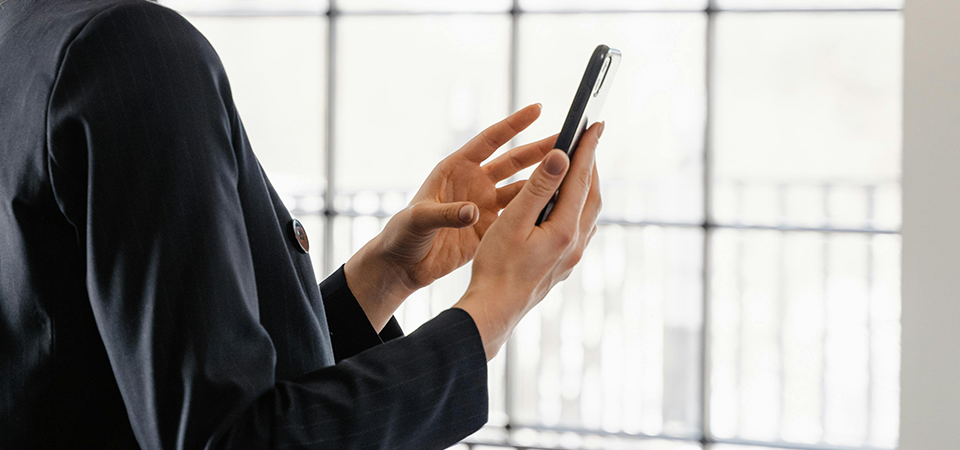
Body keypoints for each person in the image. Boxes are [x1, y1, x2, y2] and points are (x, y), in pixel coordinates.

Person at [0, 0, 603, 448]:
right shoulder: (130, 51)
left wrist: (381, 279)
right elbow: (231, 440)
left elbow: (134, 377)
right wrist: (490, 313)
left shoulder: (24, 38)